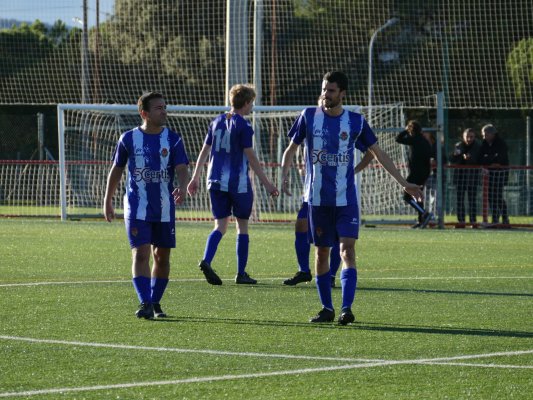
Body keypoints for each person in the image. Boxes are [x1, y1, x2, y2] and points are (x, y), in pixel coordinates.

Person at [281, 71, 422, 325]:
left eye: (331, 91)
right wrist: (283, 177)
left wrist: (403, 183)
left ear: (342, 93)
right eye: (324, 89)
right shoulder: (308, 116)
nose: (326, 95)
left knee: (347, 250)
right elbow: (290, 148)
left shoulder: (355, 121)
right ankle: (327, 308)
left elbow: (377, 153)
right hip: (317, 200)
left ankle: (346, 308)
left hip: (346, 200)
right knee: (322, 253)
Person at [103, 92, 190, 320]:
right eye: (159, 108)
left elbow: (182, 168)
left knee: (161, 257)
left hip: (163, 207)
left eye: (165, 106)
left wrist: (183, 185)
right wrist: (108, 200)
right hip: (136, 207)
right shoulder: (128, 139)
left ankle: (155, 301)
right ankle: (145, 302)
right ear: (145, 113)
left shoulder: (173, 139)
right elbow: (117, 170)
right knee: (141, 254)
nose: (164, 111)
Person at [187, 84, 279, 285]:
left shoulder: (216, 121)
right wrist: (268, 184)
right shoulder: (244, 126)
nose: (252, 108)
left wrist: (195, 177)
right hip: (238, 184)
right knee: (242, 226)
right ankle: (241, 273)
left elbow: (204, 151)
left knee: (220, 225)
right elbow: (251, 158)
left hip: (215, 181)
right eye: (251, 104)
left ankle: (206, 259)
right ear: (246, 103)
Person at [283, 151, 374, 288]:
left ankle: (330, 275)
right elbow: (293, 147)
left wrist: (353, 171)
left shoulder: (348, 130)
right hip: (312, 192)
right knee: (301, 225)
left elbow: (371, 151)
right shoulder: (306, 129)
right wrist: (290, 170)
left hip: (339, 193)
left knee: (337, 238)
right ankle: (304, 271)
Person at [396, 120, 433, 228]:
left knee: (406, 196)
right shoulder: (425, 141)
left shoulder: (415, 139)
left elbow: (398, 139)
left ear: (411, 130)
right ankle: (421, 220)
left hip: (416, 173)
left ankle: (424, 214)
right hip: (424, 173)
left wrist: (405, 130)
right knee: (418, 196)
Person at [478, 124, 510, 225]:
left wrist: (490, 159)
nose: (484, 137)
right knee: (490, 196)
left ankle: (505, 218)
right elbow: (481, 158)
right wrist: (490, 160)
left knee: (498, 196)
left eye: (486, 135)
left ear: (492, 134)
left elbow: (500, 158)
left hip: (500, 174)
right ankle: (495, 218)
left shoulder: (501, 143)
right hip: (489, 174)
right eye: (483, 135)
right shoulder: (484, 143)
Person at [451, 128, 481, 228]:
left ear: (474, 137)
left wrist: (470, 158)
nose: (469, 139)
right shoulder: (458, 145)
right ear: (463, 137)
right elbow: (452, 159)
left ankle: (473, 222)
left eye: (471, 136)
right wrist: (456, 156)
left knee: (472, 200)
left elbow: (479, 160)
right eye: (467, 136)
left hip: (472, 178)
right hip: (460, 177)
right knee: (460, 201)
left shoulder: (478, 146)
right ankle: (461, 222)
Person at [422, 131, 447, 218]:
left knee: (436, 198)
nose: (423, 136)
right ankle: (425, 216)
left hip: (437, 175)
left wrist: (435, 161)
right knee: (425, 197)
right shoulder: (422, 145)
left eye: (425, 134)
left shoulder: (438, 146)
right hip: (426, 174)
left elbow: (444, 160)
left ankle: (435, 217)